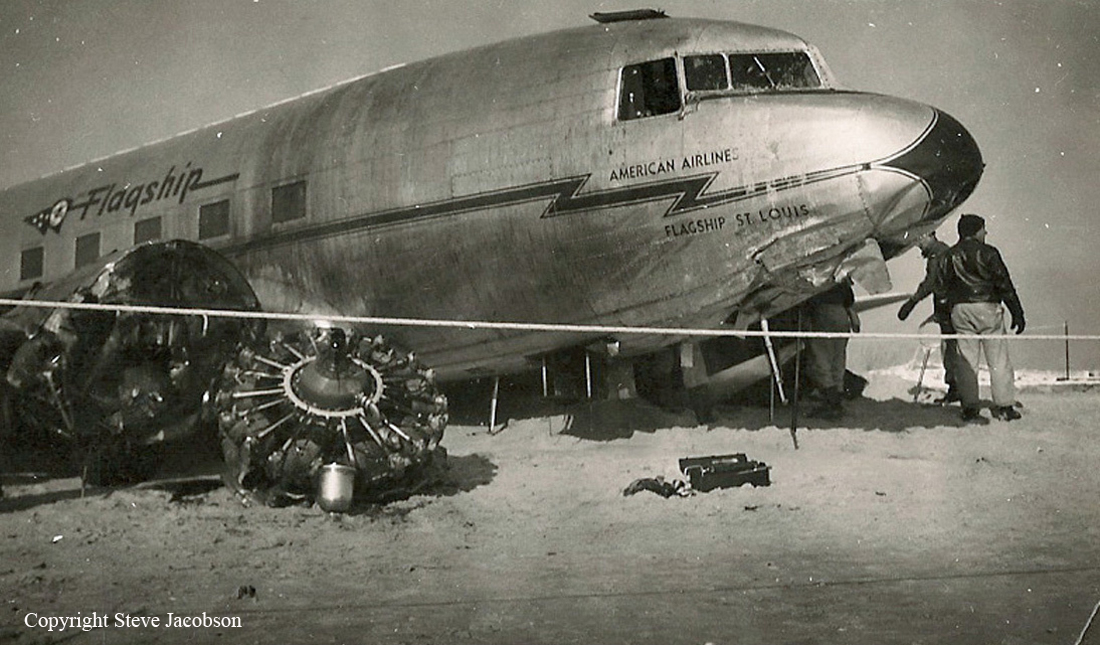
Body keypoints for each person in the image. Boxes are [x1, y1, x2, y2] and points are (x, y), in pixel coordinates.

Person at [938, 214, 1025, 424]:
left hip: (960, 309)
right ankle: (1004, 406)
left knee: (966, 360)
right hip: (988, 307)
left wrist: (945, 320)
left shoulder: (948, 256)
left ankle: (969, 407)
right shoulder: (989, 252)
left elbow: (942, 290)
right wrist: (1017, 312)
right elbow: (1004, 283)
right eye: (983, 229)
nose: (985, 232)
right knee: (998, 359)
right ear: (976, 231)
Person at [897, 232, 960, 404]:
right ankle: (956, 387)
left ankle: (956, 388)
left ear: (930, 236)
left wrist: (913, 301)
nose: (918, 245)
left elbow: (931, 282)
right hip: (948, 308)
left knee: (951, 348)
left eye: (920, 239)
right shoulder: (942, 251)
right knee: (951, 347)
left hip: (948, 309)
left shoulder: (937, 254)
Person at [804, 277, 860, 420]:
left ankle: (831, 402)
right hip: (841, 315)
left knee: (821, 359)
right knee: (837, 359)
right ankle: (836, 398)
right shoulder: (839, 276)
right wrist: (853, 318)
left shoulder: (819, 276)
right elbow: (849, 299)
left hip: (823, 313)